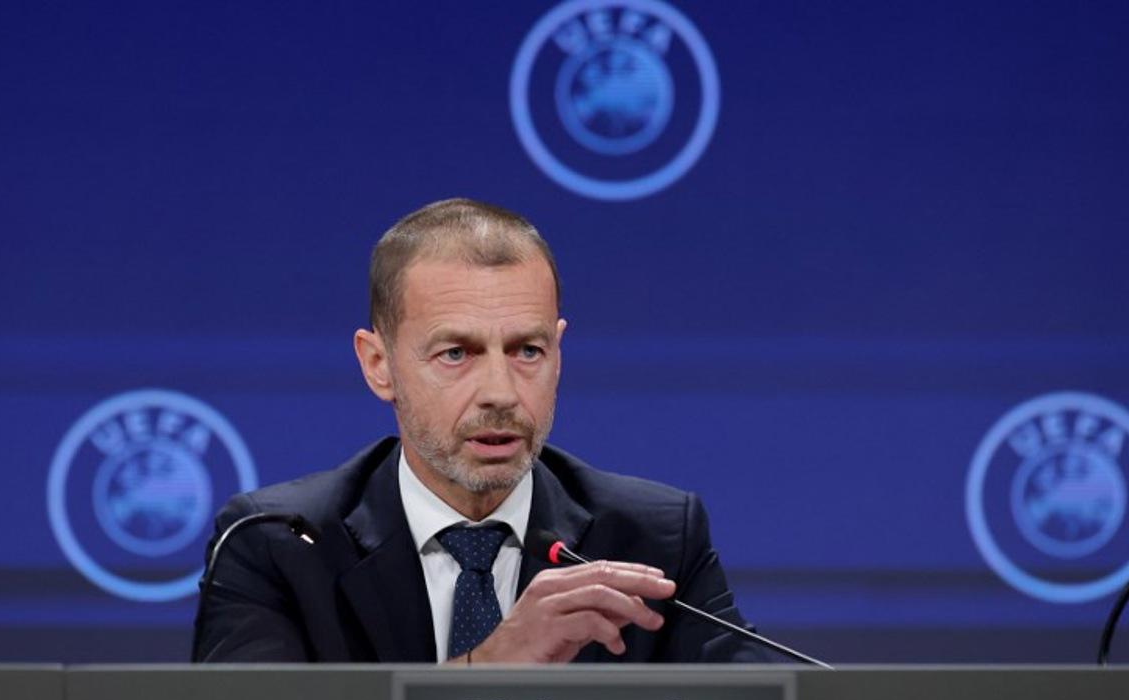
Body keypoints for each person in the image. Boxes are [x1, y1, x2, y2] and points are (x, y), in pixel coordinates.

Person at [192, 198, 772, 664]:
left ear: (559, 354)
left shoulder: (653, 538)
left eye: (527, 350)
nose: (500, 390)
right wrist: (492, 668)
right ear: (379, 365)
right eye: (456, 353)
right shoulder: (278, 545)